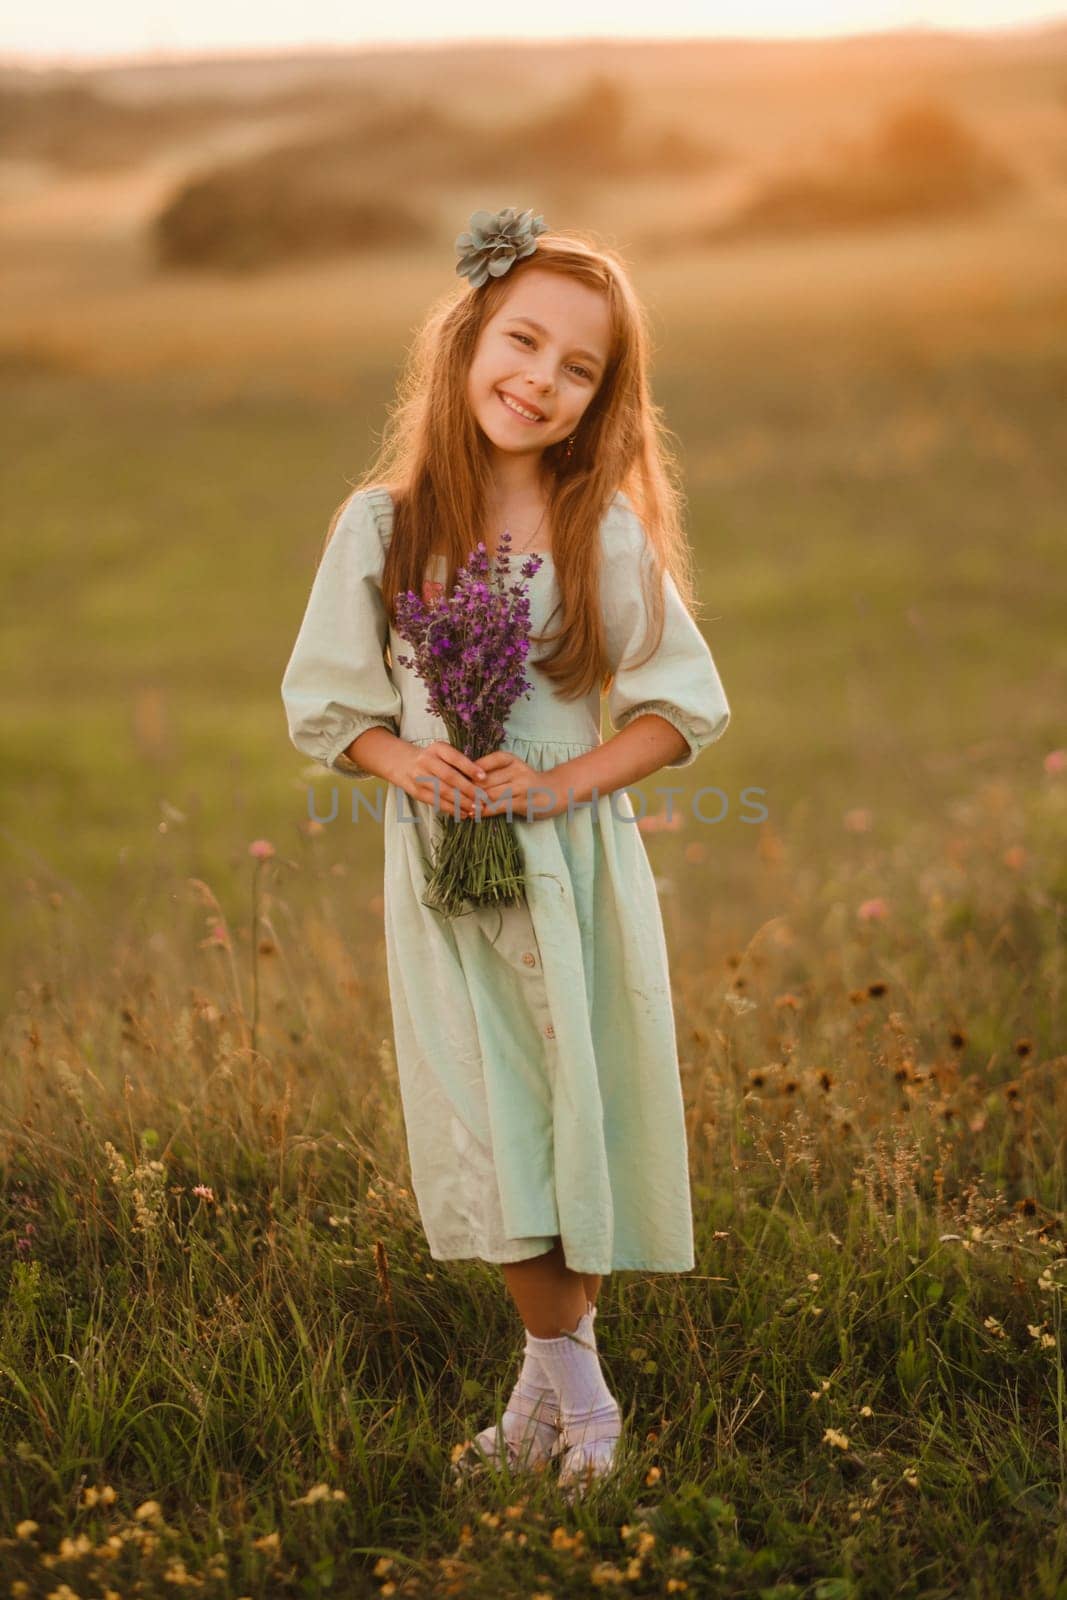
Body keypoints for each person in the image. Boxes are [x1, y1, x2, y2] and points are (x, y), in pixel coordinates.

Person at [281, 206, 731, 1500]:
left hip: (572, 874)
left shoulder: (603, 531)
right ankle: (574, 1405)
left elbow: (681, 706)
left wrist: (559, 783)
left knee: (569, 1119)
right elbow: (329, 705)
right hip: (443, 880)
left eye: (577, 367)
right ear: (468, 338)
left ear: (601, 400)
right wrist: (406, 760)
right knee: (498, 1126)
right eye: (521, 341)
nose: (539, 377)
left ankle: (561, 1412)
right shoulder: (384, 524)